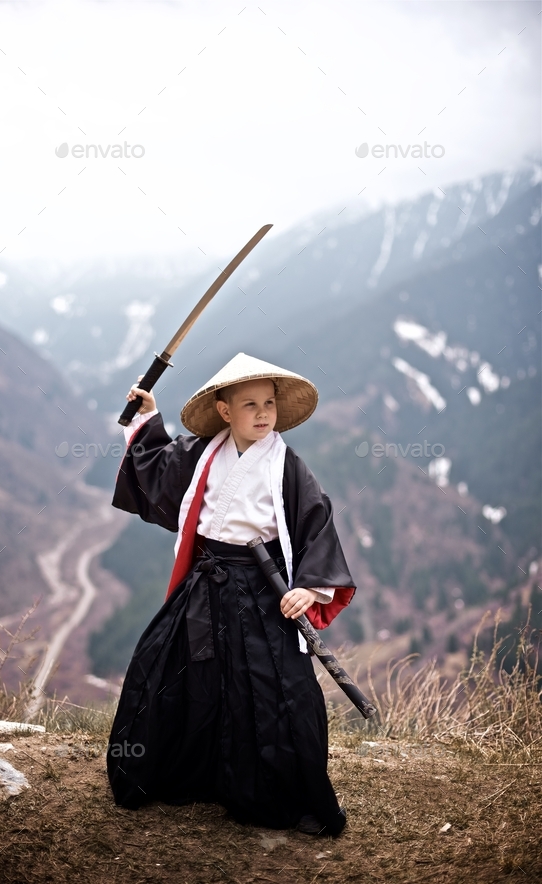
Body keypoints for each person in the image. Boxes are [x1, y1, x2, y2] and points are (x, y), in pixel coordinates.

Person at [107, 353, 357, 837]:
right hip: (205, 584)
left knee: (273, 691)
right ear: (224, 411)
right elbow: (155, 471)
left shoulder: (288, 468)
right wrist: (145, 414)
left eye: (269, 403)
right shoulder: (202, 454)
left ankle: (271, 790)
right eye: (250, 405)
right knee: (171, 669)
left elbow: (317, 526)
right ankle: (187, 773)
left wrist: (307, 587)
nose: (263, 413)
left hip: (263, 593)